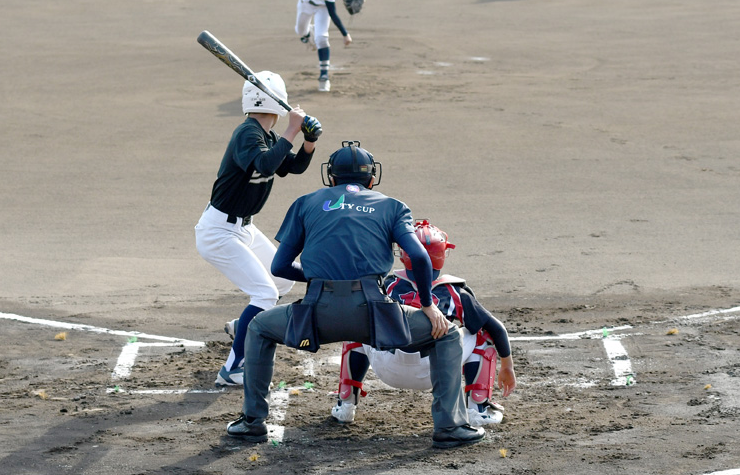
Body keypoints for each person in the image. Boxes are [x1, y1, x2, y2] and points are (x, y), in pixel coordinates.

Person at [226, 141, 486, 449]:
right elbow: (420, 256)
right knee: (447, 335)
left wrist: (317, 276)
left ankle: (252, 423)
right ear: (371, 179)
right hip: (375, 316)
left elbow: (279, 265)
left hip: (316, 314)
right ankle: (450, 427)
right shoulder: (393, 206)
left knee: (258, 327)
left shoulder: (306, 202)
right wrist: (428, 306)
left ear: (331, 178)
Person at [195, 71, 322, 388]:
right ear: (275, 104)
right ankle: (232, 369)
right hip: (219, 232)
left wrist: (308, 142)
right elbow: (264, 165)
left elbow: (290, 166)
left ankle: (244, 326)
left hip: (243, 229)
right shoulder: (247, 134)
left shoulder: (264, 136)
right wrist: (292, 129)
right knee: (264, 292)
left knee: (280, 279)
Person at [331, 220, 516, 427]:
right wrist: (507, 365)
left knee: (357, 326)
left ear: (404, 254)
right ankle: (478, 409)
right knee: (480, 332)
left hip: (387, 368)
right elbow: (497, 328)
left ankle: (345, 404)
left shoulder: (387, 286)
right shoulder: (455, 293)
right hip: (433, 372)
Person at [295, 0, 364, 92]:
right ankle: (309, 33)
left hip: (323, 8)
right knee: (301, 31)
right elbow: (333, 13)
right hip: (307, 2)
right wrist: (345, 34)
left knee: (321, 38)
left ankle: (324, 77)